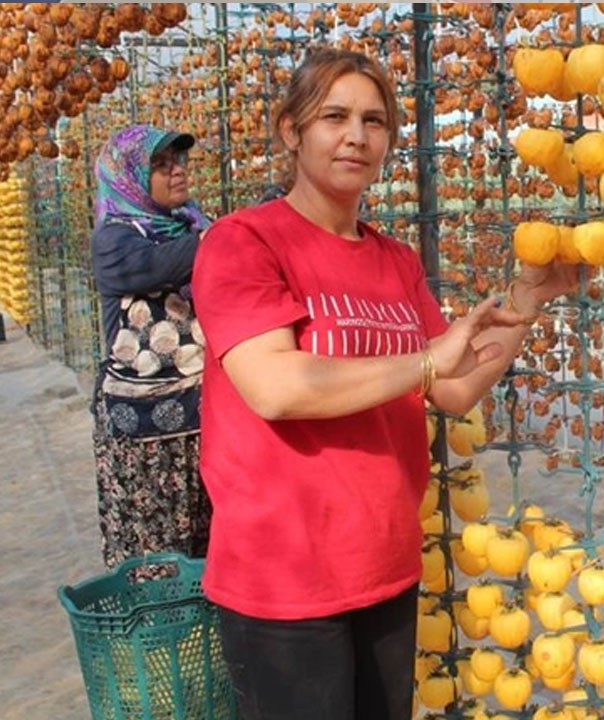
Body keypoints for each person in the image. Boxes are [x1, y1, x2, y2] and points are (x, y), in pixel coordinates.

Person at [191, 47, 577, 720]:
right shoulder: (243, 242)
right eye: (333, 116)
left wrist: (530, 296)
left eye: (374, 121)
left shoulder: (395, 260)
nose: (356, 136)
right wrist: (425, 360)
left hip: (384, 563)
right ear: (292, 131)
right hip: (283, 579)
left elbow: (454, 387)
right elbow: (275, 387)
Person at [90, 124, 213, 570]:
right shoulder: (114, 241)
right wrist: (222, 237)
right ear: (129, 179)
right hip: (143, 441)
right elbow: (160, 264)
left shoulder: (194, 224)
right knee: (157, 559)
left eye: (178, 162)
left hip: (203, 425)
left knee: (209, 555)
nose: (176, 171)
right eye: (160, 166)